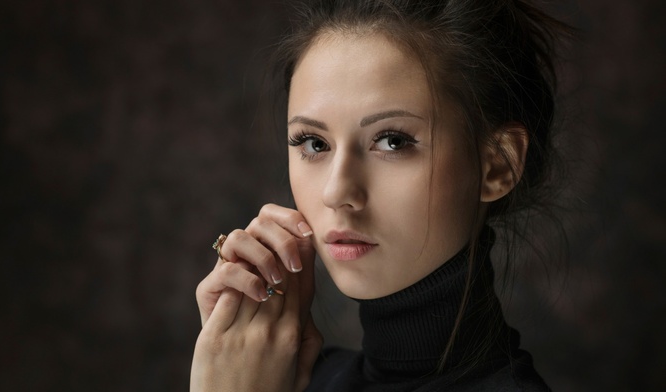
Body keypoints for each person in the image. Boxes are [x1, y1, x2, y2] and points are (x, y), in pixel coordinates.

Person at [190, 0, 570, 390]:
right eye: (315, 143)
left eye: (392, 141)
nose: (336, 192)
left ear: (498, 165)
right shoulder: (281, 379)